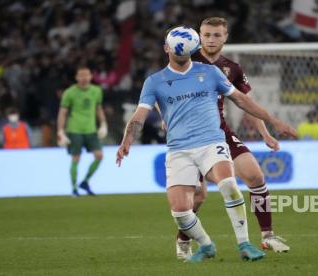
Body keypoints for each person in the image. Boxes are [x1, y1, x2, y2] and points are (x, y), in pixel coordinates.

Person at [116, 26, 296, 262]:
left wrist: (272, 121)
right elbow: (139, 116)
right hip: (179, 149)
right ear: (166, 49)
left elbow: (241, 100)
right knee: (181, 210)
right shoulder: (154, 82)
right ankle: (206, 245)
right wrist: (126, 140)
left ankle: (245, 244)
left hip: (211, 141)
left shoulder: (211, 72)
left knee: (229, 184)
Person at [174, 17, 291, 260]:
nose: (211, 39)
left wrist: (265, 133)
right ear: (199, 36)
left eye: (217, 35)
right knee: (198, 196)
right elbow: (162, 88)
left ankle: (267, 235)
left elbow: (245, 102)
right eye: (206, 35)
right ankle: (183, 240)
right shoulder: (187, 59)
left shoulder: (232, 68)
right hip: (189, 137)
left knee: (255, 176)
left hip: (220, 131)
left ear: (225, 37)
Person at [57, 66, 108, 197]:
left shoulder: (96, 91)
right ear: (76, 77)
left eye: (86, 75)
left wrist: (103, 124)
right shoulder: (69, 92)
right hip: (74, 130)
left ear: (91, 76)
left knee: (99, 156)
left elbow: (98, 108)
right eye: (81, 75)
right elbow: (62, 113)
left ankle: (85, 182)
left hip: (91, 130)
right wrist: (60, 131)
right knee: (76, 158)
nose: (84, 78)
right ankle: (74, 188)